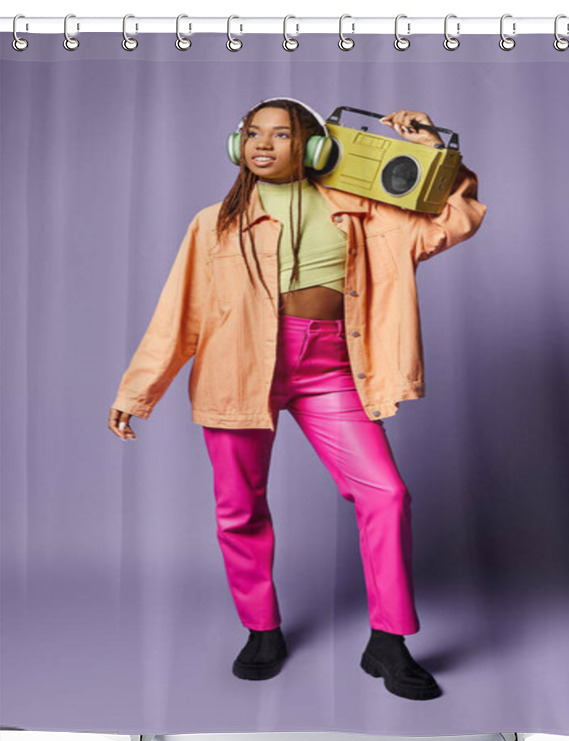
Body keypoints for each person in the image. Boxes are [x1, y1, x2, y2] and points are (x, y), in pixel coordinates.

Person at [108, 97, 487, 700]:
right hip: (238, 366)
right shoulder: (215, 222)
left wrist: (433, 151)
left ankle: (387, 642)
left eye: (281, 134)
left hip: (332, 363)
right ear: (238, 146)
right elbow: (179, 314)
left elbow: (452, 221)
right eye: (252, 133)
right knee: (240, 507)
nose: (263, 143)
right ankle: (262, 629)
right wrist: (139, 389)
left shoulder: (363, 210)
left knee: (385, 494)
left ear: (312, 147)